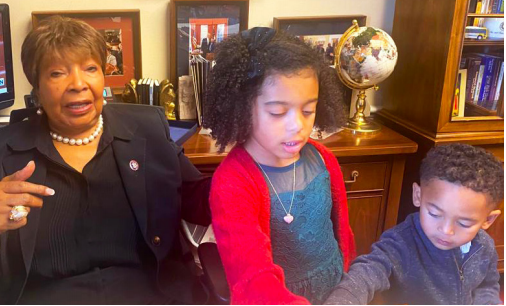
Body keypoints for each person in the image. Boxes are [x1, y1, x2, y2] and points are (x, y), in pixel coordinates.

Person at [0, 16, 211, 304]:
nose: (78, 84)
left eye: (90, 68)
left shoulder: (147, 129)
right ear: (37, 88)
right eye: (57, 73)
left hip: (148, 293)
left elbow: (200, 200)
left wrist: (248, 167)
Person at [204, 27, 356, 304]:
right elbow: (253, 278)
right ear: (242, 107)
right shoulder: (233, 183)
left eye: (308, 110)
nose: (298, 125)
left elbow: (342, 234)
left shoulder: (322, 159)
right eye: (278, 112)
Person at [325, 143, 503, 305]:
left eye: (464, 223)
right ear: (418, 196)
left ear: (488, 220)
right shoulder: (399, 243)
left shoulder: (484, 245)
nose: (446, 230)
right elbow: (365, 273)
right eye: (434, 214)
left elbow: (486, 285)